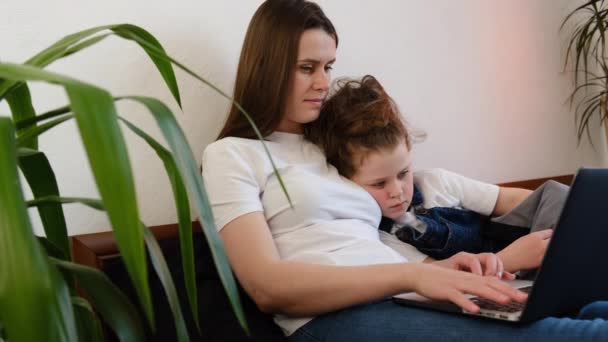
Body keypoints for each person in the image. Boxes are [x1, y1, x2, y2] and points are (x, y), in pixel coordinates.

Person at [201, 0, 608, 340]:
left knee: (593, 310)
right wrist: (411, 279)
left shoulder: (333, 147)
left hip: (400, 296)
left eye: (328, 66)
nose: (324, 82)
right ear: (267, 68)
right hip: (332, 320)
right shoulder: (232, 155)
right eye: (308, 68)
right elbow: (267, 288)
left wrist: (447, 270)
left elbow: (383, 226)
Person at [303, 74, 563, 274]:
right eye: (379, 183)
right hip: (487, 277)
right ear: (347, 183)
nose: (397, 191)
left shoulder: (435, 182)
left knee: (555, 195)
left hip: (515, 245)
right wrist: (509, 260)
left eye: (403, 173)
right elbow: (436, 276)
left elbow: (510, 200)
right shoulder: (382, 238)